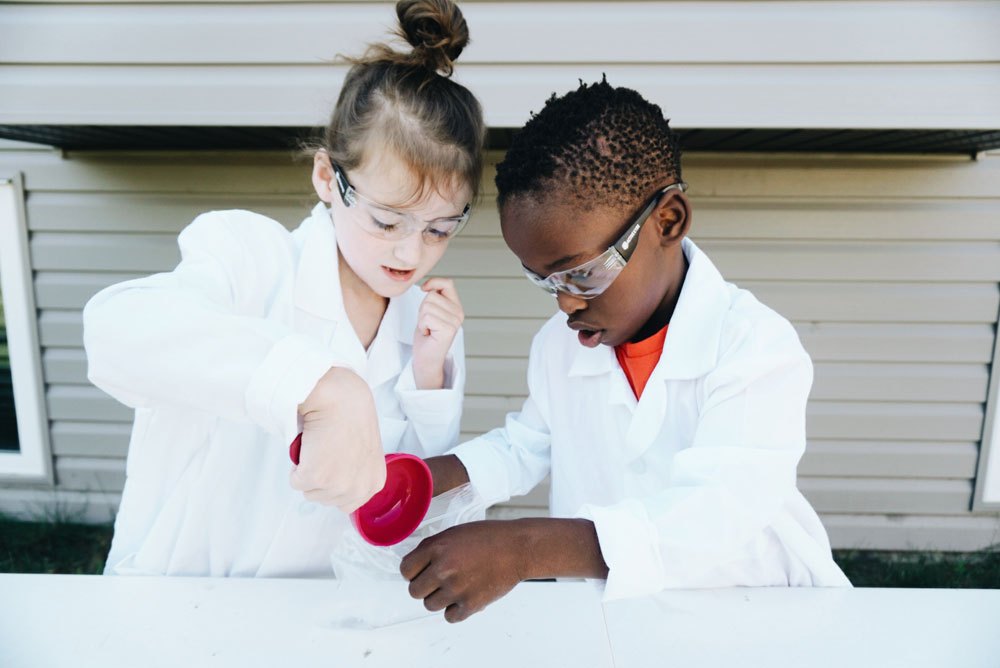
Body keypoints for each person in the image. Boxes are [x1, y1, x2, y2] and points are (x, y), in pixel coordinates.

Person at [402, 78, 851, 623]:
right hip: (625, 618)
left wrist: (523, 548)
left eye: (584, 273)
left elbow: (715, 515)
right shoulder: (560, 347)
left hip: (759, 614)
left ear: (669, 220)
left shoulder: (754, 348)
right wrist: (422, 480)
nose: (566, 302)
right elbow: (527, 445)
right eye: (544, 280)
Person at [83, 0, 485, 577]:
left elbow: (396, 506)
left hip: (314, 621)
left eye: (440, 228)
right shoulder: (249, 256)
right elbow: (115, 332)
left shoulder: (427, 323)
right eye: (387, 220)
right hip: (176, 608)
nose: (410, 253)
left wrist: (427, 381)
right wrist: (318, 387)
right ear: (327, 176)